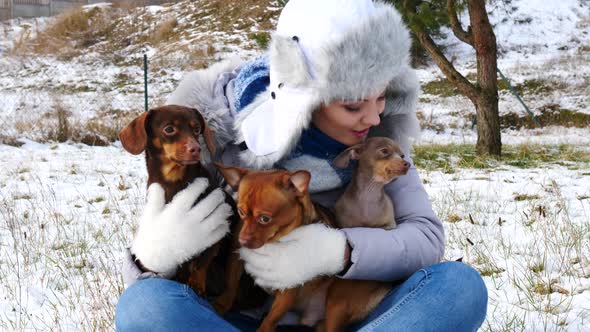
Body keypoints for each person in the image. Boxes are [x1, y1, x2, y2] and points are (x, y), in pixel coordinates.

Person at [115, 0, 488, 331]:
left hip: (344, 315)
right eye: (354, 106)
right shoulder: (214, 132)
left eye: (381, 98)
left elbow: (426, 239)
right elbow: (151, 284)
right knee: (144, 307)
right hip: (231, 318)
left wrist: (338, 251)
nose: (374, 117)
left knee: (458, 287)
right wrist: (154, 255)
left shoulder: (378, 142)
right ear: (303, 100)